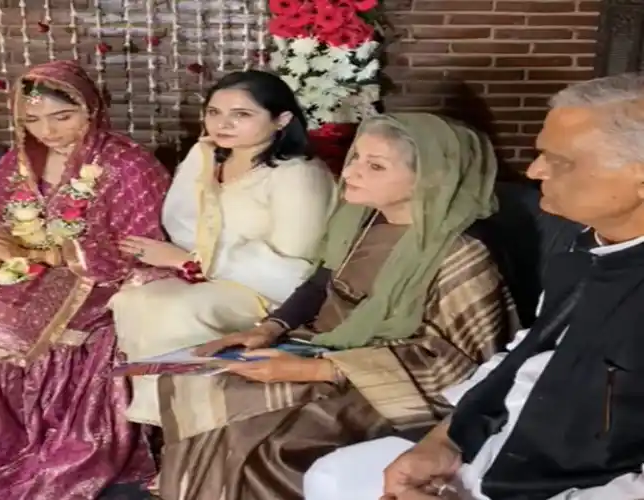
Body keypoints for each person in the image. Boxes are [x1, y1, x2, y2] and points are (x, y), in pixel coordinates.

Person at [304, 73, 644, 500]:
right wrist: (443, 442)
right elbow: (524, 353)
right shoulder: (582, 249)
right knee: (333, 476)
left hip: (564, 487)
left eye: (559, 161)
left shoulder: (467, 251)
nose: (533, 170)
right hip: (491, 452)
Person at [154, 112, 520, 500]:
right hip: (326, 347)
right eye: (356, 157)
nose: (352, 172)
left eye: (375, 166)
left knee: (260, 429)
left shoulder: (462, 253)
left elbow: (457, 363)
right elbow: (319, 283)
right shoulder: (360, 220)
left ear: (431, 177)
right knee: (199, 381)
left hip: (392, 385)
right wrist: (269, 329)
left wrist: (315, 370)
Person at [0, 60, 172, 499]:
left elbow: (140, 247)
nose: (46, 131)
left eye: (61, 117)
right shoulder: (20, 159)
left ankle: (22, 445)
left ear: (91, 109)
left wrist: (44, 253)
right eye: (31, 120)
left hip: (92, 276)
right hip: (18, 263)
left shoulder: (130, 165)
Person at [109, 70, 337, 425]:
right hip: (208, 273)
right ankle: (165, 421)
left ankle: (195, 425)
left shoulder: (298, 174)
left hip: (269, 290)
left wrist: (192, 262)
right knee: (133, 298)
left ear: (282, 119)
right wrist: (184, 263)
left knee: (177, 310)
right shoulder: (207, 156)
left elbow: (294, 268)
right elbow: (181, 223)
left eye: (241, 114)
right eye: (214, 112)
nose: (223, 124)